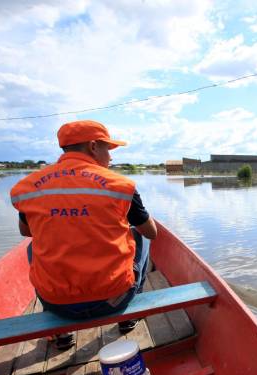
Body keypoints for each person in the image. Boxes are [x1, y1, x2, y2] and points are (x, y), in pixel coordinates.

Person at [10, 120, 157, 350]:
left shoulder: (28, 186)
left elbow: (25, 231)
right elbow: (152, 232)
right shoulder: (120, 185)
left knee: (32, 247)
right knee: (141, 236)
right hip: (113, 300)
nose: (111, 157)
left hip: (58, 304)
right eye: (108, 149)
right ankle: (128, 315)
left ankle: (61, 332)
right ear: (93, 147)